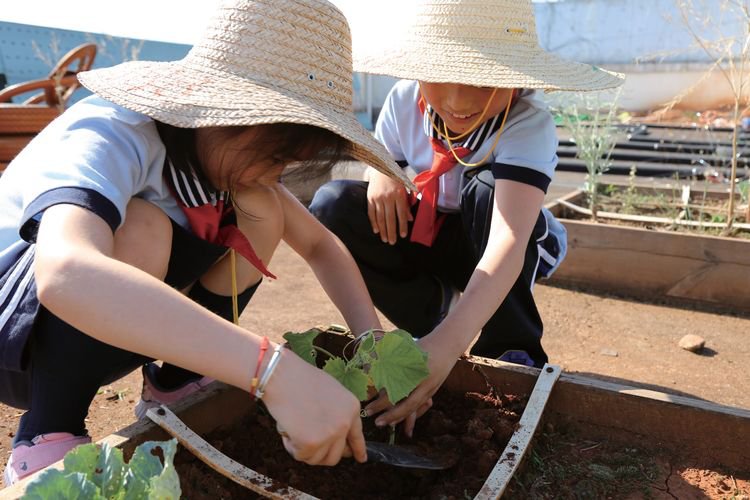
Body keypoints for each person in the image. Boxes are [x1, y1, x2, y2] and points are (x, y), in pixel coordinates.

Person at [0, 0, 414, 485]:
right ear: (228, 114)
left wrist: (373, 346)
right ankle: (47, 432)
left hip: (108, 325)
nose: (280, 171)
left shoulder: (224, 157)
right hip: (20, 339)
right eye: (279, 154)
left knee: (264, 208)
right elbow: (67, 273)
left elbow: (322, 247)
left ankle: (176, 384)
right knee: (144, 226)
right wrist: (273, 371)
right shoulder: (112, 134)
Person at [310, 0, 624, 434]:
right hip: (432, 229)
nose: (458, 101)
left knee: (487, 186)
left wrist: (447, 350)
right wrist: (379, 174)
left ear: (512, 76)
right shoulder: (405, 101)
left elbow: (507, 243)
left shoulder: (526, 122)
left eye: (481, 80)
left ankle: (509, 349)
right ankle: (432, 313)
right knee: (333, 204)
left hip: (501, 238)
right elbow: (386, 165)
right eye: (440, 77)